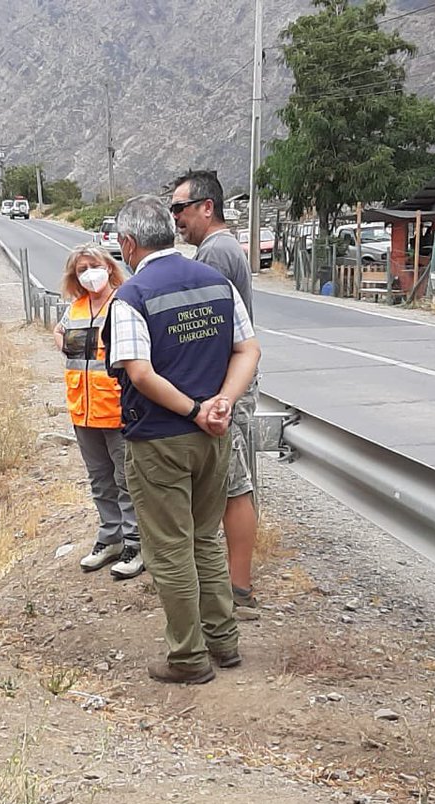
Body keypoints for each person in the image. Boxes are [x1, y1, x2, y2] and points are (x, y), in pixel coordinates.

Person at [103, 195, 261, 685]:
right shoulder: (217, 283)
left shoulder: (131, 297)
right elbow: (248, 348)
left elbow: (141, 374)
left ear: (129, 244)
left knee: (170, 550)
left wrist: (194, 409)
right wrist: (222, 404)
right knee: (204, 539)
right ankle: (224, 643)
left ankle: (189, 658)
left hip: (160, 441)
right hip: (214, 436)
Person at [170, 170, 260, 609]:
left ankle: (237, 586)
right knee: (231, 484)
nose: (176, 219)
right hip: (229, 384)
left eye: (181, 209)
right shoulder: (219, 249)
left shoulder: (215, 255)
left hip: (225, 387)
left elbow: (207, 332)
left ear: (207, 207)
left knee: (234, 485)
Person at [54, 245, 144, 579]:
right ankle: (111, 538)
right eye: (81, 269)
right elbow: (60, 334)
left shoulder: (123, 303)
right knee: (100, 481)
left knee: (127, 481)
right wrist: (58, 336)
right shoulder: (75, 309)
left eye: (94, 266)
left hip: (118, 409)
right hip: (83, 410)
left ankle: (136, 542)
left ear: (109, 267)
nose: (89, 273)